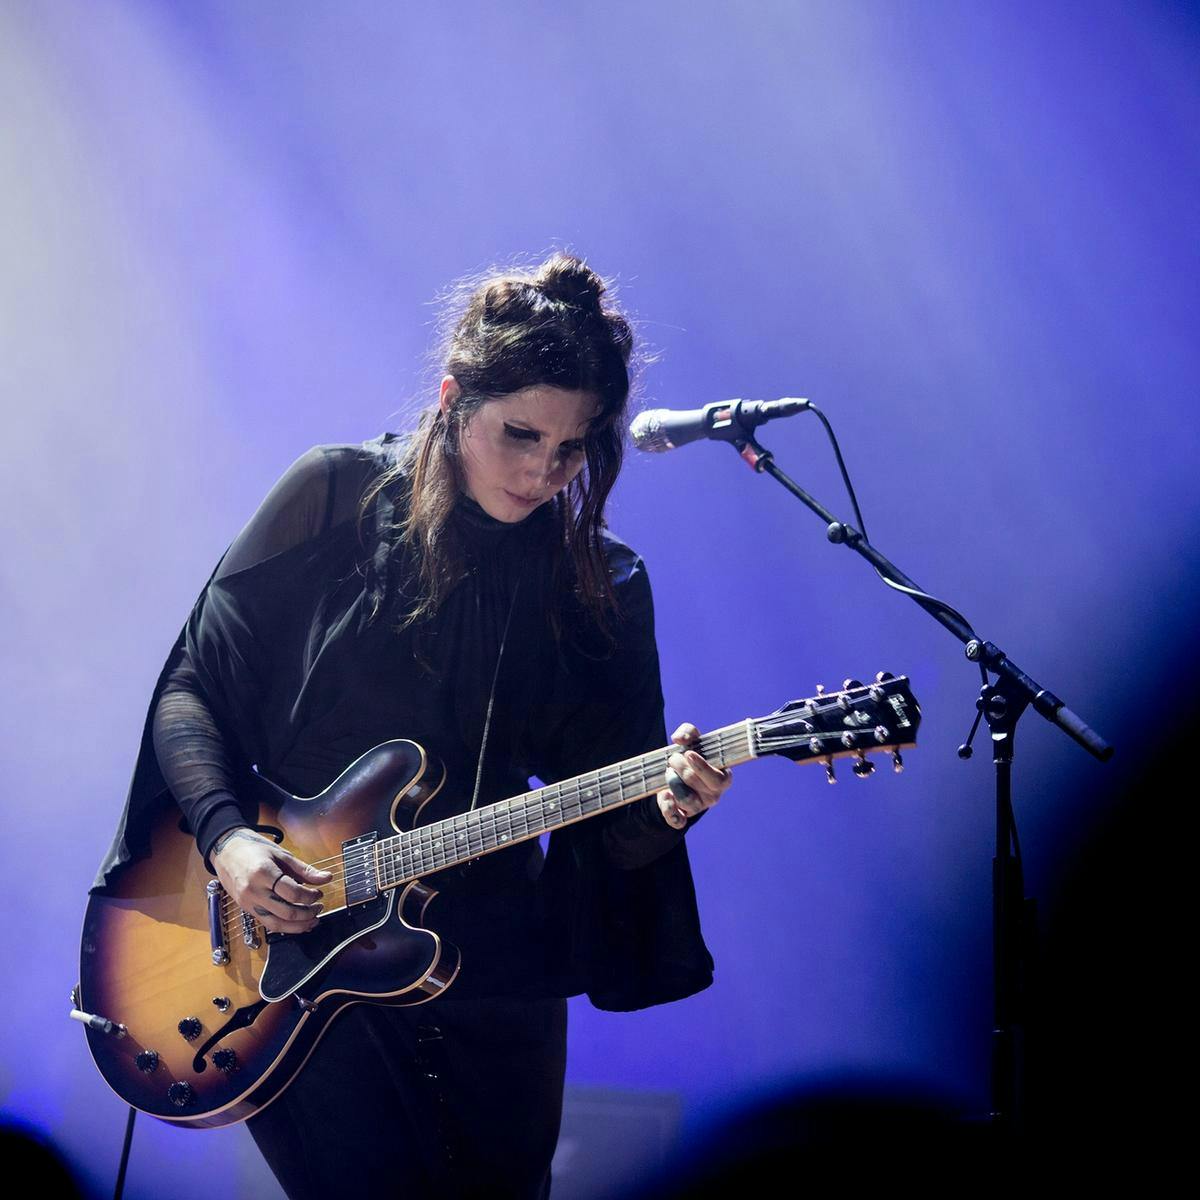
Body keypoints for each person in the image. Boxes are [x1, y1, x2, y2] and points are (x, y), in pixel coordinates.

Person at [91, 253, 731, 1199]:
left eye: (573, 449)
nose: (544, 471)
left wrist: (667, 807)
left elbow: (606, 810)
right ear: (453, 397)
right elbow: (194, 686)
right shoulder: (333, 499)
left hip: (495, 967)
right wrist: (228, 842)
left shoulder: (602, 585)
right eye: (520, 434)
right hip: (294, 944)